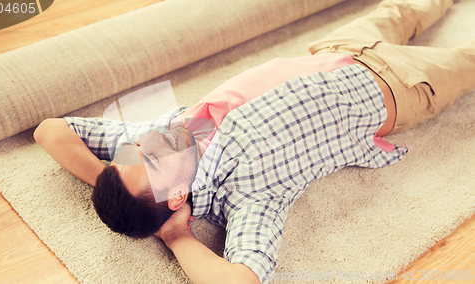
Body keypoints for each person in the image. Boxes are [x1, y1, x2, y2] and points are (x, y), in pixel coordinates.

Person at [33, 0, 475, 283]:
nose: (152, 143)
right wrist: (175, 236)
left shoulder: (162, 137)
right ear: (176, 198)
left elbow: (49, 131)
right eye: (152, 162)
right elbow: (241, 279)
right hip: (394, 87)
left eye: (134, 153)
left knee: (408, 7)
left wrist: (106, 180)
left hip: (336, 50)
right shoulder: (245, 193)